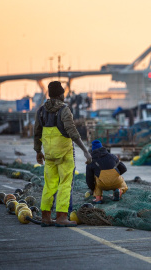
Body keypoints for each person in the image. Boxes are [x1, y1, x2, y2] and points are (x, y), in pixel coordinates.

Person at [34, 81, 92, 227]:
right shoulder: (64, 110)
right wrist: (85, 151)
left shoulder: (41, 111)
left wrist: (38, 151)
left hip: (49, 154)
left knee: (49, 185)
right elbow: (73, 132)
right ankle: (61, 217)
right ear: (60, 94)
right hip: (64, 154)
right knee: (65, 184)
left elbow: (37, 133)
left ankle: (46, 217)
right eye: (63, 93)